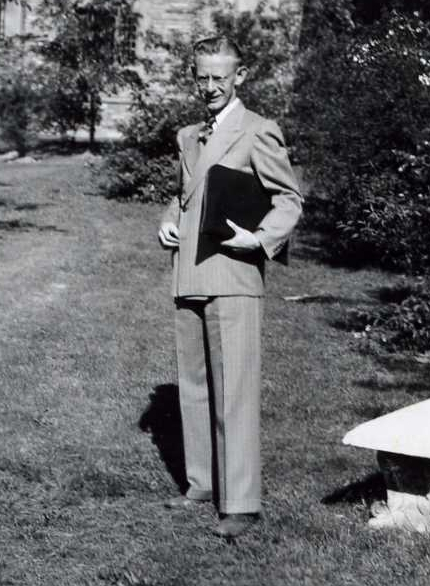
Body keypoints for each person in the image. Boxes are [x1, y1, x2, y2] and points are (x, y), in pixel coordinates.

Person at [158, 35, 302, 540]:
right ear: (193, 75)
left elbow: (289, 199)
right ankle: (202, 483)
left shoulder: (258, 130)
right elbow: (183, 194)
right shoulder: (188, 135)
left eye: (220, 77)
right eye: (202, 76)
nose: (210, 86)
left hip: (234, 274)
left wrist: (259, 239)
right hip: (189, 273)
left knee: (234, 390)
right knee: (194, 385)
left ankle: (240, 502)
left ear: (240, 76)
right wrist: (168, 220)